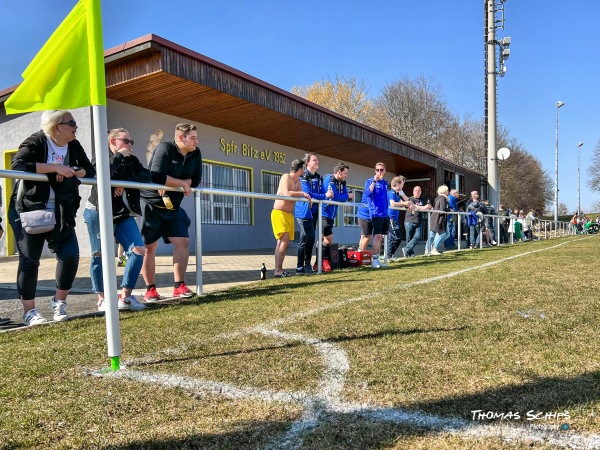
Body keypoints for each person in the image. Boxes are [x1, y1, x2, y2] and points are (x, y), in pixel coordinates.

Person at [8, 110, 95, 325]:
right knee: (30, 260)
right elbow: (18, 165)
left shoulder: (73, 145)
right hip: (29, 209)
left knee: (70, 255)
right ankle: (29, 311)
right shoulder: (38, 140)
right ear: (57, 126)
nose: (76, 126)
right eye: (71, 122)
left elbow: (89, 170)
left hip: (61, 211)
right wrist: (54, 168)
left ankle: (59, 301)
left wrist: (71, 170)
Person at [84, 128, 150, 312]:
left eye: (131, 142)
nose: (130, 145)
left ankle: (126, 297)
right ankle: (102, 298)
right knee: (100, 254)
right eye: (126, 141)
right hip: (97, 211)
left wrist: (123, 182)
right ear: (113, 142)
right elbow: (100, 175)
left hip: (121, 213)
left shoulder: (132, 160)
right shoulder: (101, 157)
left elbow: (146, 175)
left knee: (138, 250)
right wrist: (119, 156)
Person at [140, 123, 203, 301]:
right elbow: (156, 176)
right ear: (180, 138)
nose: (196, 142)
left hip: (172, 206)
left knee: (183, 241)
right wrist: (182, 183)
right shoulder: (165, 148)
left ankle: (179, 286)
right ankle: (150, 289)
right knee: (149, 247)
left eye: (196, 138)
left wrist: (172, 182)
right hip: (151, 204)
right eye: (193, 138)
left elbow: (196, 180)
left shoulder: (195, 153)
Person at [295, 152, 333, 275]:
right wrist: (324, 196)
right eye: (314, 160)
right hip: (304, 212)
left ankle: (300, 267)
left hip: (314, 211)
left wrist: (328, 195)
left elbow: (322, 193)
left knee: (305, 238)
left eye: (317, 160)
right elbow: (308, 194)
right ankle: (306, 264)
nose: (317, 162)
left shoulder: (318, 177)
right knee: (310, 236)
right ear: (307, 163)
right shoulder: (303, 176)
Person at [272, 159, 310, 277]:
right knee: (284, 242)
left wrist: (304, 196)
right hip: (279, 212)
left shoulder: (298, 180)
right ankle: (278, 270)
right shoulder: (286, 177)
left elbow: (298, 194)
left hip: (288, 214)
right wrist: (302, 194)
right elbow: (286, 193)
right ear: (300, 169)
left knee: (284, 243)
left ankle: (278, 269)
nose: (304, 171)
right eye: (303, 169)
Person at [320, 162, 352, 271]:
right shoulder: (330, 179)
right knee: (329, 238)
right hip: (323, 213)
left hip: (332, 215)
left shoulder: (342, 182)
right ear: (339, 172)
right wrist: (347, 195)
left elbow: (341, 197)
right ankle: (324, 261)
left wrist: (344, 196)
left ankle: (317, 263)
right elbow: (335, 198)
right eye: (345, 173)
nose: (346, 176)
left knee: (323, 238)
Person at [365, 163, 389, 268]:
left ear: (384, 171)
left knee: (381, 237)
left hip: (385, 213)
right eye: (377, 170)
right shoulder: (370, 181)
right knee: (377, 236)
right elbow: (367, 193)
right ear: (375, 171)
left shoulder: (385, 183)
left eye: (381, 170)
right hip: (376, 213)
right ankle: (374, 260)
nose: (379, 172)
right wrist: (374, 181)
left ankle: (377, 259)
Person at [402, 186, 432, 258]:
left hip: (419, 221)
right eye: (415, 190)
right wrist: (423, 207)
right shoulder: (410, 199)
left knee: (417, 236)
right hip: (409, 221)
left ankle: (406, 249)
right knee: (409, 239)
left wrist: (428, 206)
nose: (417, 192)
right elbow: (413, 207)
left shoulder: (423, 199)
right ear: (413, 191)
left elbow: (430, 206)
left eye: (419, 191)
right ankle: (410, 253)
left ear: (421, 192)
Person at [387, 175, 409, 261]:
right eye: (402, 184)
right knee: (397, 238)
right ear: (398, 184)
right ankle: (388, 255)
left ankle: (389, 256)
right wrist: (404, 204)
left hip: (395, 218)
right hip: (391, 218)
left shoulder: (396, 193)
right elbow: (392, 204)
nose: (403, 186)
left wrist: (407, 204)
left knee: (392, 238)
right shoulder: (392, 192)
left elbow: (402, 202)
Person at [429, 185, 450, 255]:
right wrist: (449, 210)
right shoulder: (442, 198)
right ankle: (434, 248)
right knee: (442, 234)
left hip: (436, 217)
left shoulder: (439, 198)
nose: (448, 192)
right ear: (444, 191)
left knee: (433, 234)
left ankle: (429, 249)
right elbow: (442, 209)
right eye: (447, 190)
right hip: (438, 218)